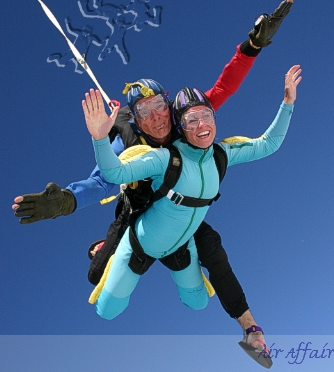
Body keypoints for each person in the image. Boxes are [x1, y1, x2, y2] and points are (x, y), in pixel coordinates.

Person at [12, 0, 293, 367]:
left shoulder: (185, 124)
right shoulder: (127, 139)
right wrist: (65, 200)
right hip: (135, 213)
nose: (159, 117)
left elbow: (223, 88)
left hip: (180, 211)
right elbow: (103, 181)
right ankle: (101, 247)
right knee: (97, 274)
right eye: (146, 112)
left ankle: (249, 328)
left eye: (161, 105)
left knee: (212, 254)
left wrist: (252, 47)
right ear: (135, 116)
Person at [82, 65, 301, 367]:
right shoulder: (164, 159)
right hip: (140, 244)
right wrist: (99, 138)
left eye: (207, 117)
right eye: (191, 120)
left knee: (198, 304)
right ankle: (105, 247)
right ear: (181, 127)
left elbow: (269, 143)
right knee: (107, 310)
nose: (202, 126)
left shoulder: (223, 154)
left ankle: (251, 332)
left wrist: (287, 103)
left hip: (181, 244)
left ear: (214, 119)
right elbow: (113, 172)